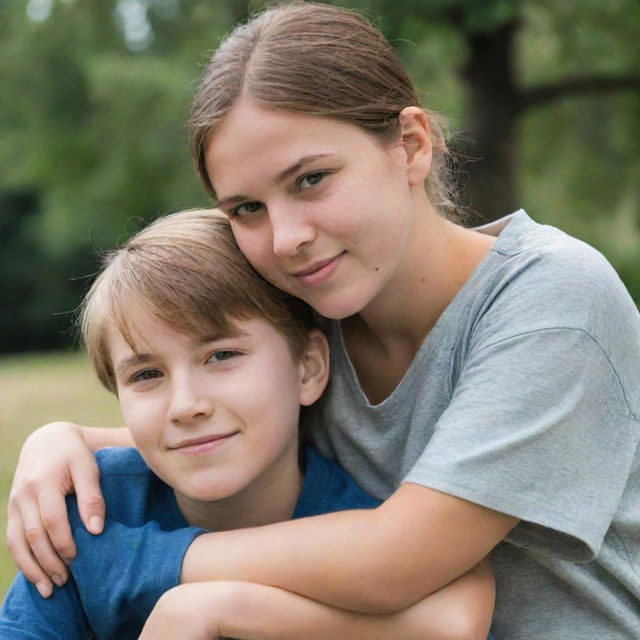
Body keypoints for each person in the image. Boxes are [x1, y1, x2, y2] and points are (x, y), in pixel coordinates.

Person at [7, 3, 640, 638]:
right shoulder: (315, 309)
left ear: (411, 145)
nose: (285, 238)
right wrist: (66, 441)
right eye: (247, 207)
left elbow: (397, 560)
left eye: (311, 179)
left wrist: (125, 564)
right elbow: (235, 419)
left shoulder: (550, 300)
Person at [1, 209, 494, 639]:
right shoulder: (89, 515)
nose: (186, 405)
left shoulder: (359, 527)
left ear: (308, 368)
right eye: (147, 374)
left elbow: (457, 617)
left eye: (222, 355)